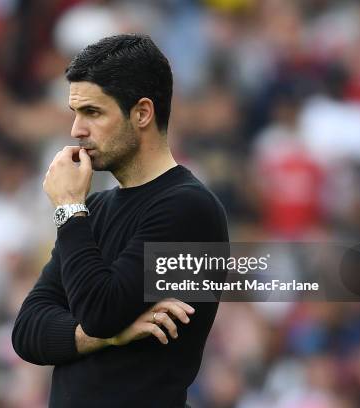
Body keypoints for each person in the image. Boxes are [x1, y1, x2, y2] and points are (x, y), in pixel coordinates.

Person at [12, 34, 229, 408]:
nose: (76, 130)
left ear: (142, 113)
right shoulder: (93, 208)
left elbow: (100, 311)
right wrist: (106, 338)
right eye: (75, 113)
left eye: (93, 113)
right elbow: (28, 331)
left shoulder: (188, 209)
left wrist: (67, 208)